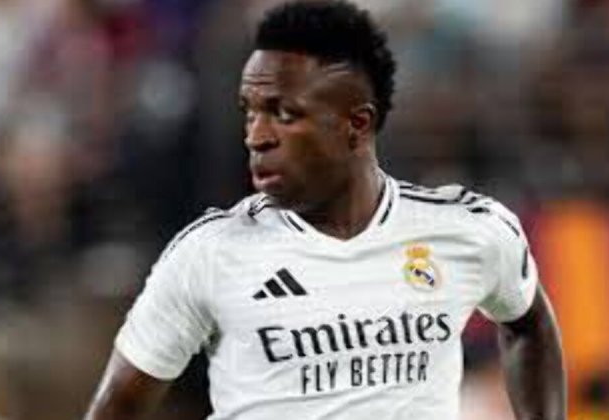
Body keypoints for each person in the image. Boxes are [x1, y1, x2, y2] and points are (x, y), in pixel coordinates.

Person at [84, 1, 566, 419]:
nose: (257, 136)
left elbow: (529, 324)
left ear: (356, 124)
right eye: (250, 111)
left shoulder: (466, 230)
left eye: (284, 114)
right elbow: (119, 406)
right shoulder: (209, 252)